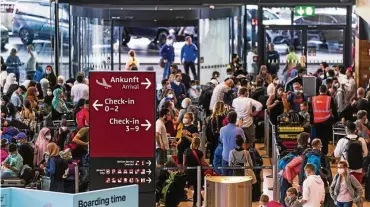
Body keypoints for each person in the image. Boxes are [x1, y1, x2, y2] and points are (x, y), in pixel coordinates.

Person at [312, 85, 337, 155]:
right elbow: (334, 111)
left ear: (319, 91)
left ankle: (317, 154)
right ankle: (324, 155)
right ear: (326, 91)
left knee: (317, 140)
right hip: (326, 123)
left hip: (316, 123)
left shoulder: (313, 99)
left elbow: (311, 112)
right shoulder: (329, 99)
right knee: (325, 141)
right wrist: (334, 120)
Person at [220, 111, 246, 176]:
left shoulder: (222, 129)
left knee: (224, 178)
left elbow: (221, 140)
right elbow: (243, 141)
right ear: (236, 119)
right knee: (236, 180)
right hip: (236, 157)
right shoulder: (239, 130)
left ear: (228, 119)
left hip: (225, 156)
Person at [183, 137, 204, 207]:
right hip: (197, 172)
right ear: (199, 144)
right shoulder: (200, 153)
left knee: (194, 188)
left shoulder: (186, 151)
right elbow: (202, 163)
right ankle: (195, 203)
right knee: (197, 188)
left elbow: (184, 163)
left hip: (189, 173)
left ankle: (198, 201)